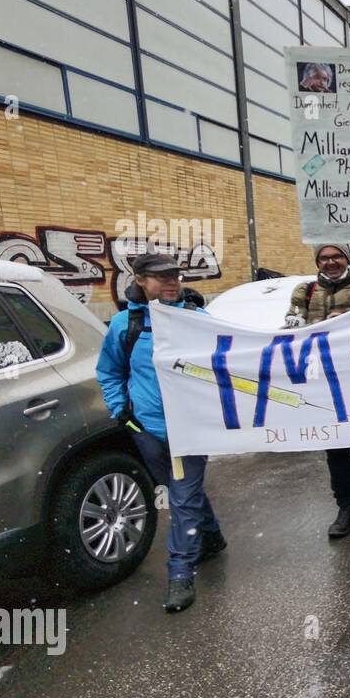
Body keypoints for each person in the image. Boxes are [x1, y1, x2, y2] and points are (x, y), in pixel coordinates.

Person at [96, 254, 225, 613]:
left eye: (175, 276)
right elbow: (109, 371)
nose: (172, 282)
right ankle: (212, 535)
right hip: (146, 428)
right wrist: (121, 410)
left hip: (190, 429)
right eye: (161, 277)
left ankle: (180, 573)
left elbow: (227, 362)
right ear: (140, 279)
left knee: (181, 497)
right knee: (179, 490)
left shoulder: (198, 320)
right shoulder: (126, 324)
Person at [284, 244, 350, 538]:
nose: (330, 262)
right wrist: (317, 326)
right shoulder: (304, 292)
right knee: (335, 449)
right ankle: (347, 507)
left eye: (336, 257)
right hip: (321, 382)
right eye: (324, 258)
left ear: (345, 260)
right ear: (318, 261)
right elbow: (291, 329)